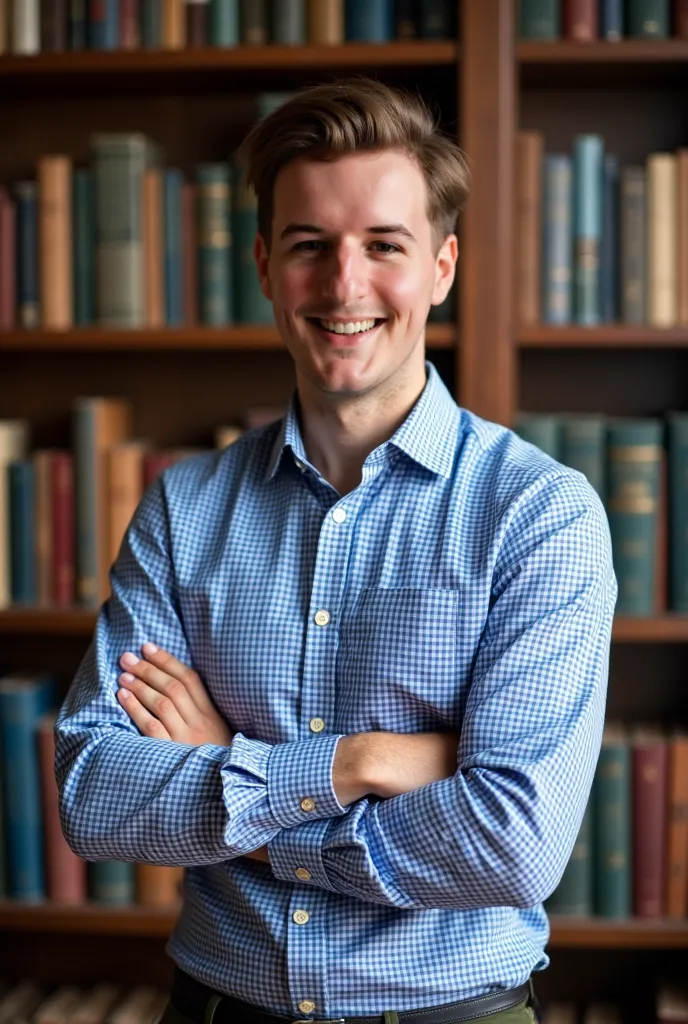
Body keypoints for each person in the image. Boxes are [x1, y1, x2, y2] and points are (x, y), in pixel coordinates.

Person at [55, 79, 617, 1024]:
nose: (345, 285)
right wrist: (356, 763)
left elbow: (515, 845)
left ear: (441, 266)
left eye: (383, 246)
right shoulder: (184, 510)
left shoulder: (541, 517)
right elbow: (94, 792)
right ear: (268, 266)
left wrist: (236, 779)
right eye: (311, 246)